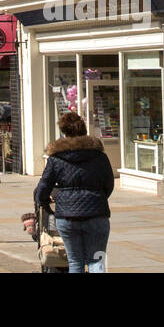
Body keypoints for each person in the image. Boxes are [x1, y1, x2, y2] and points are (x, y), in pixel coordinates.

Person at [34, 111, 114, 273]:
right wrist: (97, 198)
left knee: (75, 261)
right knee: (97, 259)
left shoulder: (56, 158)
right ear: (84, 130)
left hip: (67, 216)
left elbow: (43, 188)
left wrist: (45, 204)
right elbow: (109, 184)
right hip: (97, 214)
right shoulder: (99, 156)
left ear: (64, 132)